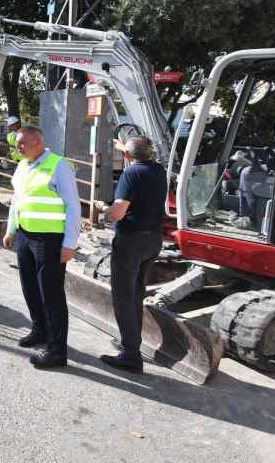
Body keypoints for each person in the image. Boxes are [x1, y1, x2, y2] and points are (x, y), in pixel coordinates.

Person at [2, 126, 81, 369]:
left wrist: (70, 244)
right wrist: (11, 229)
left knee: (52, 295)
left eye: (22, 144)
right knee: (29, 287)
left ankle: (57, 351)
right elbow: (17, 199)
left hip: (50, 240)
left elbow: (74, 207)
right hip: (26, 235)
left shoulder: (59, 166)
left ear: (37, 142)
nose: (18, 148)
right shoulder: (23, 165)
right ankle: (40, 330)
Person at [99, 137, 167, 374]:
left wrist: (104, 212)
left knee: (123, 297)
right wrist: (124, 147)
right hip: (153, 241)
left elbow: (118, 213)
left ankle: (130, 355)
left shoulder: (130, 174)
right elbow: (136, 153)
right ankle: (131, 343)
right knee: (136, 293)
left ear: (127, 157)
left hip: (132, 241)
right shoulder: (158, 170)